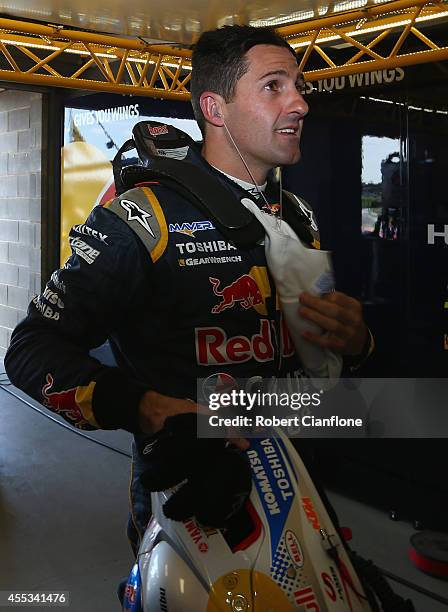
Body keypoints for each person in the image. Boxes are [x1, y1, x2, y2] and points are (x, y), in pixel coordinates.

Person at [5, 25, 372, 555]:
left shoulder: (297, 216)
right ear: (215, 109)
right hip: (190, 505)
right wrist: (143, 407)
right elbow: (31, 348)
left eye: (299, 85)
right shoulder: (143, 217)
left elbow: (323, 367)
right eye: (274, 86)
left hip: (299, 488)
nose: (300, 103)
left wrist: (357, 342)